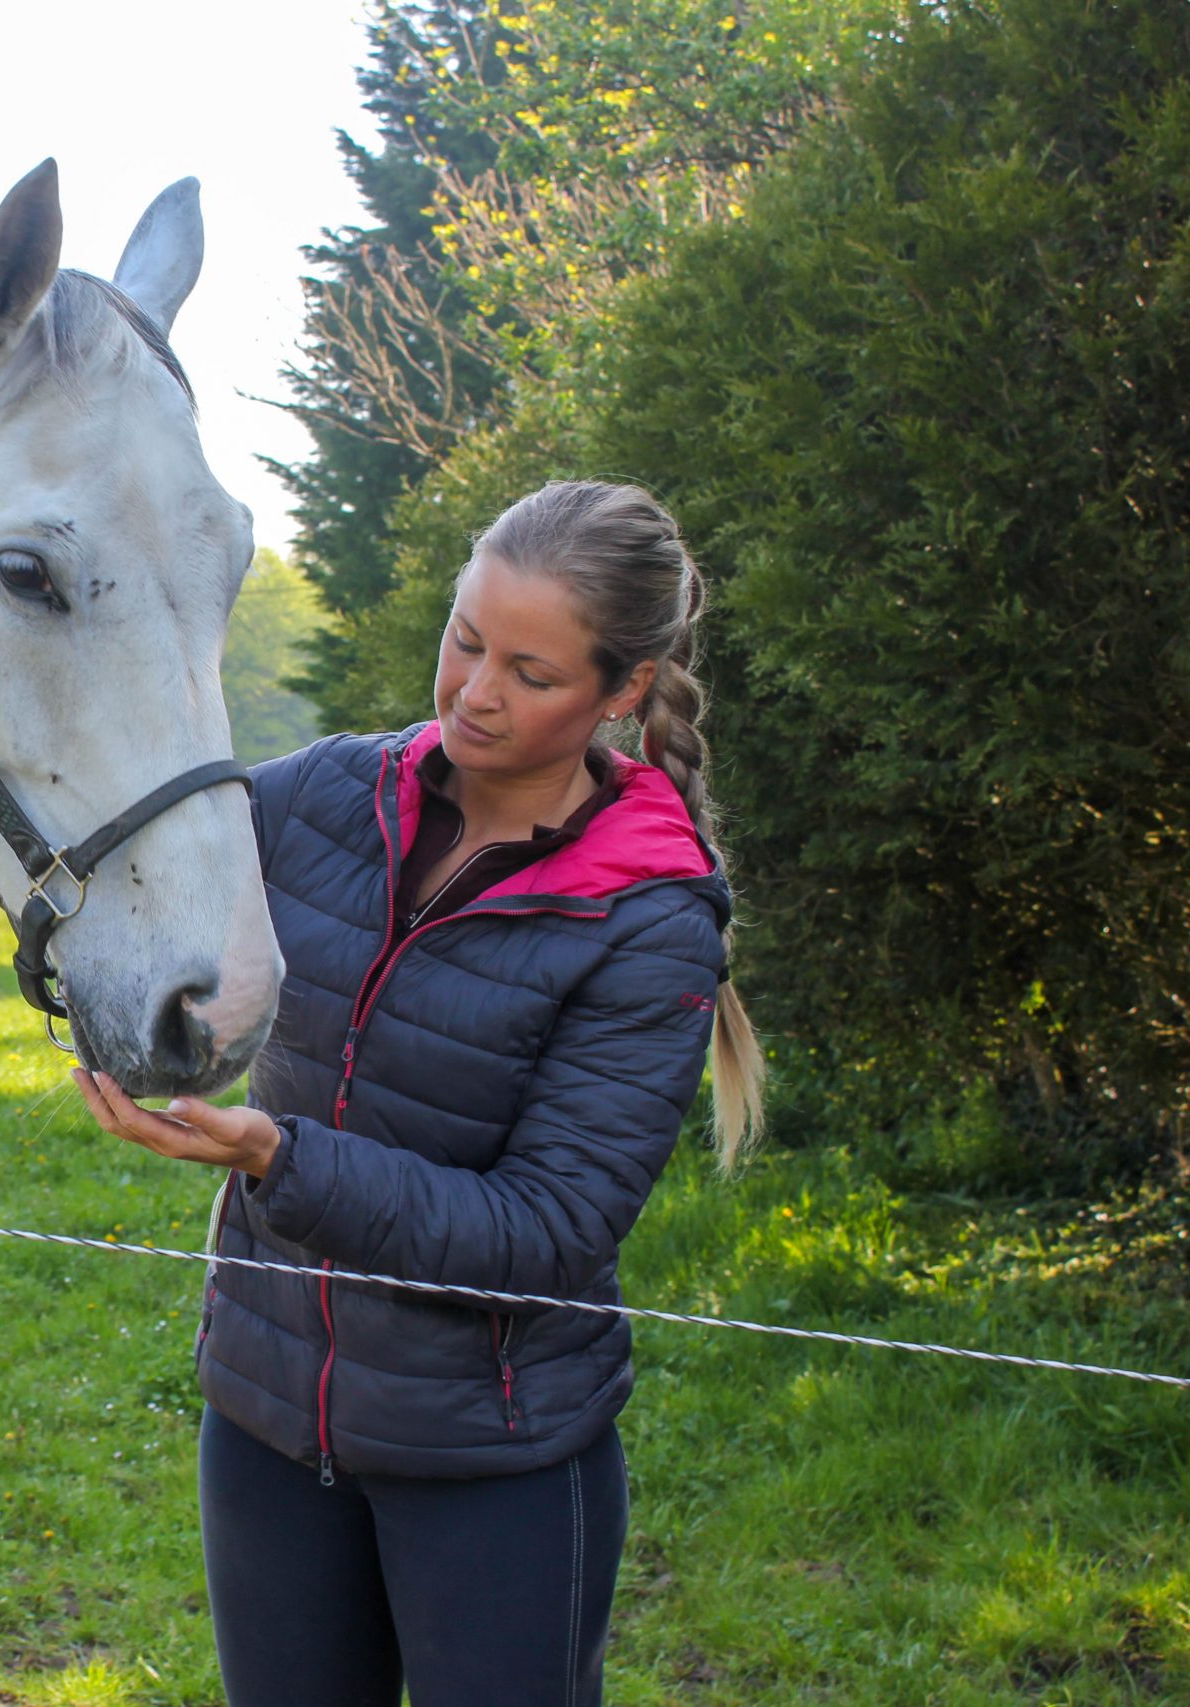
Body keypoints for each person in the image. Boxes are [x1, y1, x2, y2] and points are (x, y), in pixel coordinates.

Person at [74, 480, 765, 1706]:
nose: (473, 693)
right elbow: (135, 878)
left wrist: (276, 1159)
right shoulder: (324, 796)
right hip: (267, 1423)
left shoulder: (649, 916)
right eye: (463, 639)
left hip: (492, 1460)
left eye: (529, 672)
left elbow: (546, 1232)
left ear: (622, 691)